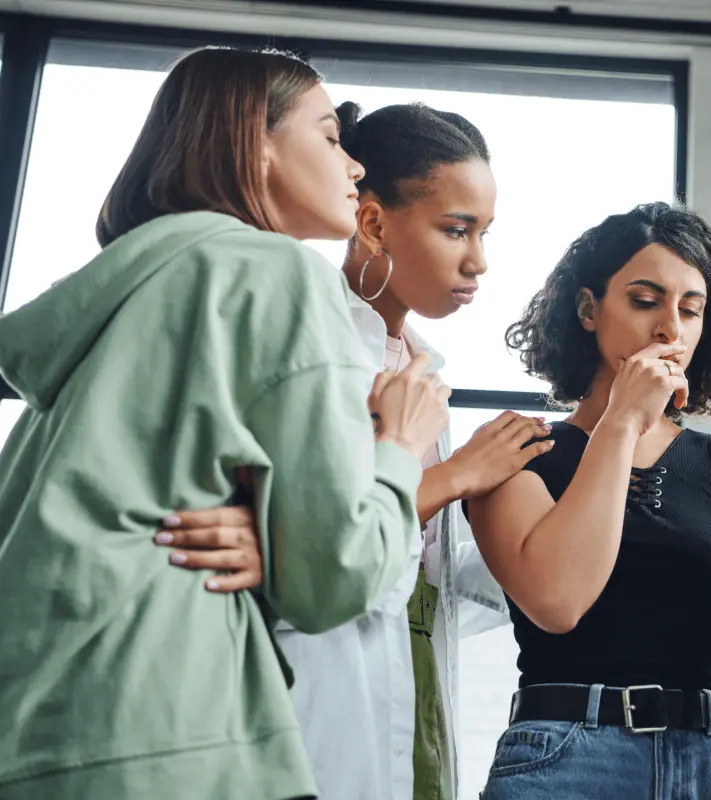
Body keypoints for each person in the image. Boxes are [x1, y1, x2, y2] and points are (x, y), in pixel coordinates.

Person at [0, 48, 447, 800]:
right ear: (254, 142)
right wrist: (400, 444)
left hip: (39, 717)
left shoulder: (120, 291)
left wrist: (269, 531)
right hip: (165, 718)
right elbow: (333, 577)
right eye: (329, 136)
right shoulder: (278, 272)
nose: (354, 166)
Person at [159, 100, 552, 800]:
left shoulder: (423, 370)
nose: (478, 262)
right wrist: (459, 474)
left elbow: (432, 573)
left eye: (484, 233)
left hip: (416, 685)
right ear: (372, 223)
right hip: (309, 685)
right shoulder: (304, 342)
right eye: (455, 229)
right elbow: (314, 544)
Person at [464, 202, 711, 798]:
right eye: (644, 301)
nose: (670, 330)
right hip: (564, 761)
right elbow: (558, 599)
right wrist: (621, 421)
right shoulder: (516, 449)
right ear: (588, 310)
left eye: (690, 310)